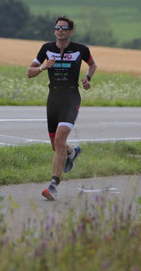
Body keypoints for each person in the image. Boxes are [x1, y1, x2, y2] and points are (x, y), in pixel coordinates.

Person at [27, 15, 97, 201]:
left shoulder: (80, 50)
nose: (60, 31)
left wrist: (87, 78)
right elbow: (29, 72)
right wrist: (43, 68)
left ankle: (53, 185)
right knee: (55, 145)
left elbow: (92, 65)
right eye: (57, 28)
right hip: (53, 98)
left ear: (70, 31)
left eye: (64, 28)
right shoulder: (46, 49)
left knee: (59, 139)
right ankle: (72, 153)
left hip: (71, 97)